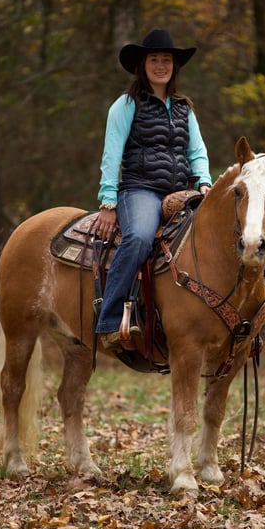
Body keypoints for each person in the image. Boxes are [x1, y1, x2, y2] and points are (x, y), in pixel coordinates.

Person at [93, 28, 212, 349]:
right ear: (142, 65)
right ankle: (109, 318)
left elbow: (197, 151)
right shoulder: (126, 105)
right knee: (140, 237)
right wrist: (108, 202)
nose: (161, 65)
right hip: (140, 190)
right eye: (154, 59)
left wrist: (204, 181)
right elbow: (111, 153)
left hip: (180, 193)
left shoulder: (185, 107)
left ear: (175, 66)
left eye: (167, 60)